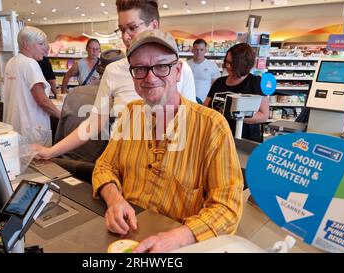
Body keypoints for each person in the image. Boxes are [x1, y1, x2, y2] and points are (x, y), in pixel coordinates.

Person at [92, 30, 244, 253]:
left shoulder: (212, 126)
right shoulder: (132, 113)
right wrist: (115, 200)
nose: (150, 78)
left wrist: (179, 237)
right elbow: (105, 166)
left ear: (178, 71)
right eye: (140, 68)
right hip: (124, 237)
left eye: (162, 66)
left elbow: (227, 207)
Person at [33, 0, 196, 160]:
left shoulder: (178, 69)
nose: (125, 36)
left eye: (132, 28)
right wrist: (51, 151)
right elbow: (93, 123)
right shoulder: (113, 71)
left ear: (153, 26)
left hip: (166, 164)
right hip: (120, 164)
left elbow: (189, 123)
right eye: (121, 29)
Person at [51, 49, 126, 183]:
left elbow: (60, 134)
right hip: (95, 174)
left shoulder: (74, 93)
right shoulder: (120, 103)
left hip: (63, 166)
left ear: (97, 69)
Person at [203, 43, 269, 142]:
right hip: (218, 137)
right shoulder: (219, 82)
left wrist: (236, 116)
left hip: (245, 140)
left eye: (232, 63)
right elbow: (206, 107)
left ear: (243, 64)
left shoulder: (255, 82)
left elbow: (264, 115)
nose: (227, 66)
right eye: (226, 62)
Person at [3, 26, 61, 139]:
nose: (45, 49)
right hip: (32, 129)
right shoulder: (30, 64)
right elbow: (43, 100)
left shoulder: (12, 62)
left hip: (14, 127)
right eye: (41, 44)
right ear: (26, 44)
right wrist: (63, 117)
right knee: (37, 156)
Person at [187, 38, 221, 104]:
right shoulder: (186, 65)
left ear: (205, 50)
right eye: (196, 49)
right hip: (188, 101)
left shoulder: (212, 66)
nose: (199, 52)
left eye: (201, 50)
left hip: (205, 103)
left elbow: (215, 86)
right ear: (192, 50)